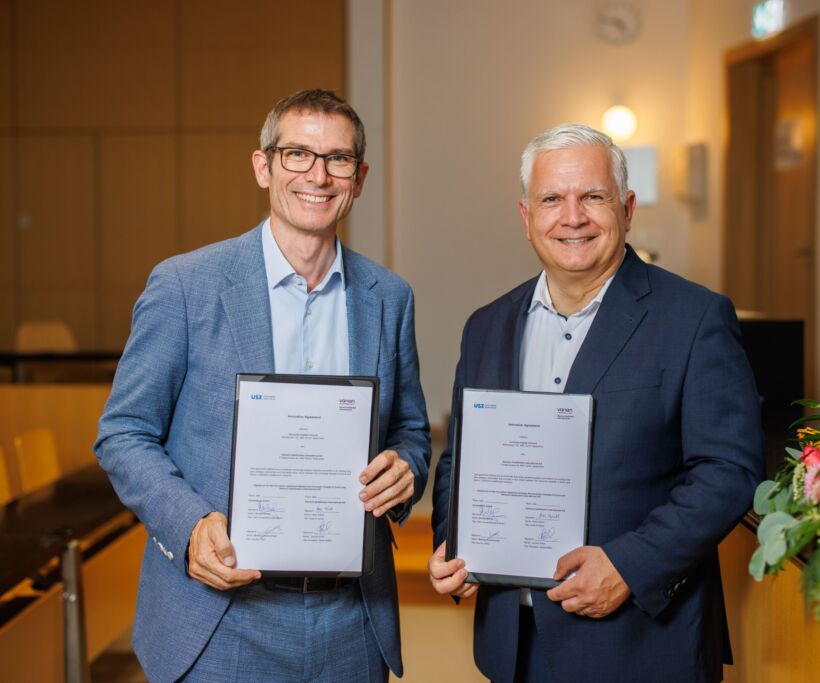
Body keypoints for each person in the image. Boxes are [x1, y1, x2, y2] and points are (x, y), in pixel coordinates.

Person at [95, 89, 430, 682]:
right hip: (220, 617)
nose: (318, 176)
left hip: (350, 618)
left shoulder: (390, 299)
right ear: (263, 166)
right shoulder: (184, 286)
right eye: (297, 154)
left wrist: (407, 465)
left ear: (360, 177)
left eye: (338, 159)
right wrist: (190, 524)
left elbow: (408, 429)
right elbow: (124, 432)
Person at [428, 124, 763, 683]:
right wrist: (452, 538)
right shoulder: (486, 327)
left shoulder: (694, 318)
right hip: (513, 645)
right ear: (526, 215)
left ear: (627, 208)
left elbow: (728, 471)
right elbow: (459, 461)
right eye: (552, 199)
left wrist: (630, 566)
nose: (573, 217)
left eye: (593, 197)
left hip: (641, 646)